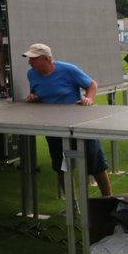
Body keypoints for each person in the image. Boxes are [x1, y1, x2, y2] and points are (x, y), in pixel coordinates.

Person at [22, 42, 112, 197]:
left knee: (96, 164)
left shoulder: (68, 69)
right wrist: (33, 98)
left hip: (79, 124)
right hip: (54, 126)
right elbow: (38, 93)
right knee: (61, 167)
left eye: (33, 59)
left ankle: (109, 199)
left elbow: (91, 84)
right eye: (29, 59)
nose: (30, 62)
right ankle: (72, 204)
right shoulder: (31, 74)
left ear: (47, 59)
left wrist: (89, 99)